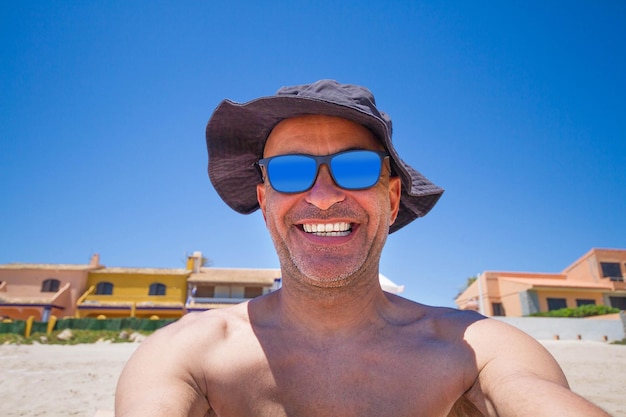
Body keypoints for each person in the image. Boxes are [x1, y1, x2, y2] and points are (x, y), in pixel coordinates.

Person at [115, 80, 610, 417]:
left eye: (355, 168)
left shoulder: (475, 350)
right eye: (290, 171)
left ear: (392, 199)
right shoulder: (187, 355)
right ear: (265, 202)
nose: (325, 196)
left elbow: (533, 396)